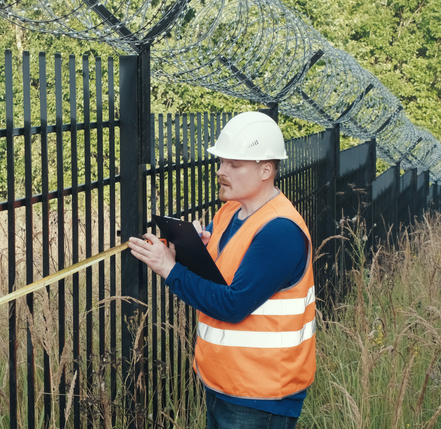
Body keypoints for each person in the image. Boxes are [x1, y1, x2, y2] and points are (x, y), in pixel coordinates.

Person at [128, 111, 316, 429]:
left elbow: (232, 304)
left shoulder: (280, 231)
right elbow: (217, 272)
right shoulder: (231, 211)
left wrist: (169, 268)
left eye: (234, 164)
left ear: (266, 170)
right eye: (222, 162)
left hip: (261, 396)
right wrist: (186, 250)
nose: (221, 171)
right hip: (224, 385)